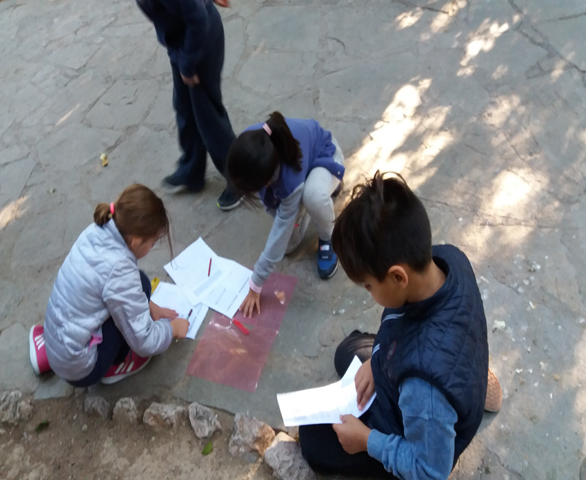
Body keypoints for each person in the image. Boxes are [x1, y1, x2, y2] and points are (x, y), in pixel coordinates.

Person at [298, 172, 501, 479]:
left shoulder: (423, 389)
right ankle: (470, 379)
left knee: (313, 440)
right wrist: (376, 361)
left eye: (368, 285)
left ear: (397, 277)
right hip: (433, 353)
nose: (368, 293)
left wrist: (367, 441)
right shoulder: (449, 259)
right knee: (348, 351)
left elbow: (431, 471)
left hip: (423, 414)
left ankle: (451, 401)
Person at [28, 184, 190, 386]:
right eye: (153, 241)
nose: (152, 247)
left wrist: (149, 306)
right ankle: (115, 365)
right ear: (136, 240)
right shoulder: (120, 269)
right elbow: (144, 341)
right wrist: (172, 329)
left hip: (58, 338)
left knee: (141, 283)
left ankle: (49, 352)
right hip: (82, 370)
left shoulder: (97, 230)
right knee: (132, 307)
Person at [226, 112, 345, 318]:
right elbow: (276, 216)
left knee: (313, 197)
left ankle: (328, 237)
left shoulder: (290, 179)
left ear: (266, 182)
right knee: (288, 246)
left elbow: (281, 226)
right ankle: (307, 201)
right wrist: (288, 222)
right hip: (297, 170)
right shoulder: (249, 146)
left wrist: (256, 283)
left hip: (326, 155)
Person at [135, 0, 242, 211]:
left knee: (208, 115)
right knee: (184, 107)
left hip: (200, 42)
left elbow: (199, 20)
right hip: (180, 42)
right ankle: (192, 170)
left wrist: (187, 66)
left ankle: (240, 178)